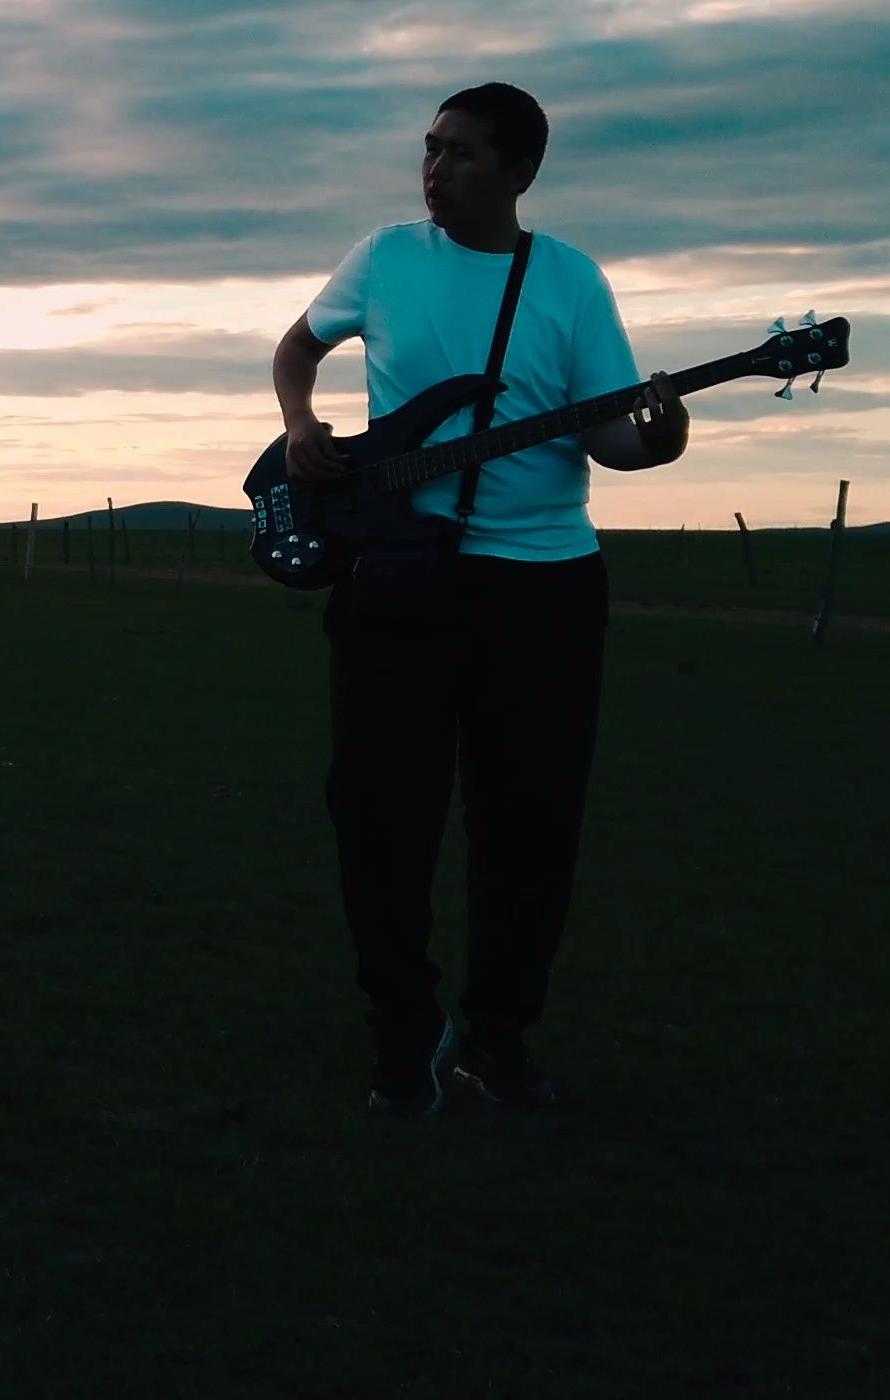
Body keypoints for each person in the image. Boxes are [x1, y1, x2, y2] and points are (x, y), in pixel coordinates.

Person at [270, 84, 688, 1116]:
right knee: (379, 818)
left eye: (458, 154)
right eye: (429, 149)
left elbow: (611, 438)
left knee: (531, 827)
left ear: (518, 173)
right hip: (398, 584)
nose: (433, 168)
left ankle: (498, 1037)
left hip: (542, 589)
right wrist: (301, 426)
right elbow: (298, 349)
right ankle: (404, 1038)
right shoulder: (385, 257)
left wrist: (663, 437)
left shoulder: (571, 281)